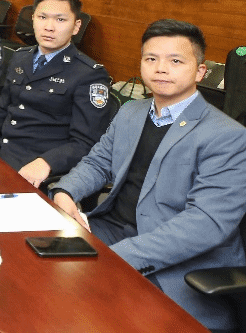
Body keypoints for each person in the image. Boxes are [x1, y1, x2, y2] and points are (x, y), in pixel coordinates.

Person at [51, 19, 246, 333]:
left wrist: (117, 256)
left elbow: (206, 224)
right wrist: (65, 193)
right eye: (151, 58)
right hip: (109, 231)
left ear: (200, 72)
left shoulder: (228, 136)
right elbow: (98, 163)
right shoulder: (131, 112)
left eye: (176, 61)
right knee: (37, 276)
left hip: (175, 263)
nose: (161, 68)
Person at [0, 0, 112, 186]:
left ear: (76, 26)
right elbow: (3, 109)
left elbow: (86, 142)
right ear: (33, 20)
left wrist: (47, 163)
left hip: (34, 166)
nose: (49, 27)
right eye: (42, 17)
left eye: (60, 20)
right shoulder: (20, 57)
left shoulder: (89, 74)